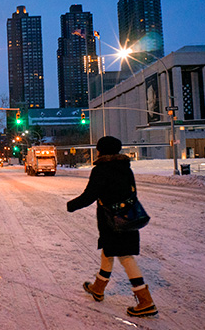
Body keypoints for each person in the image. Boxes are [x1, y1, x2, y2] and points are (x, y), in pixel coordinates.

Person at [67, 136, 158, 317]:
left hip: (112, 221)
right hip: (128, 217)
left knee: (125, 257)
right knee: (108, 251)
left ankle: (145, 301)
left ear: (103, 150)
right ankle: (98, 288)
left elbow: (90, 195)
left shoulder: (101, 169)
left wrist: (71, 205)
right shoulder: (126, 168)